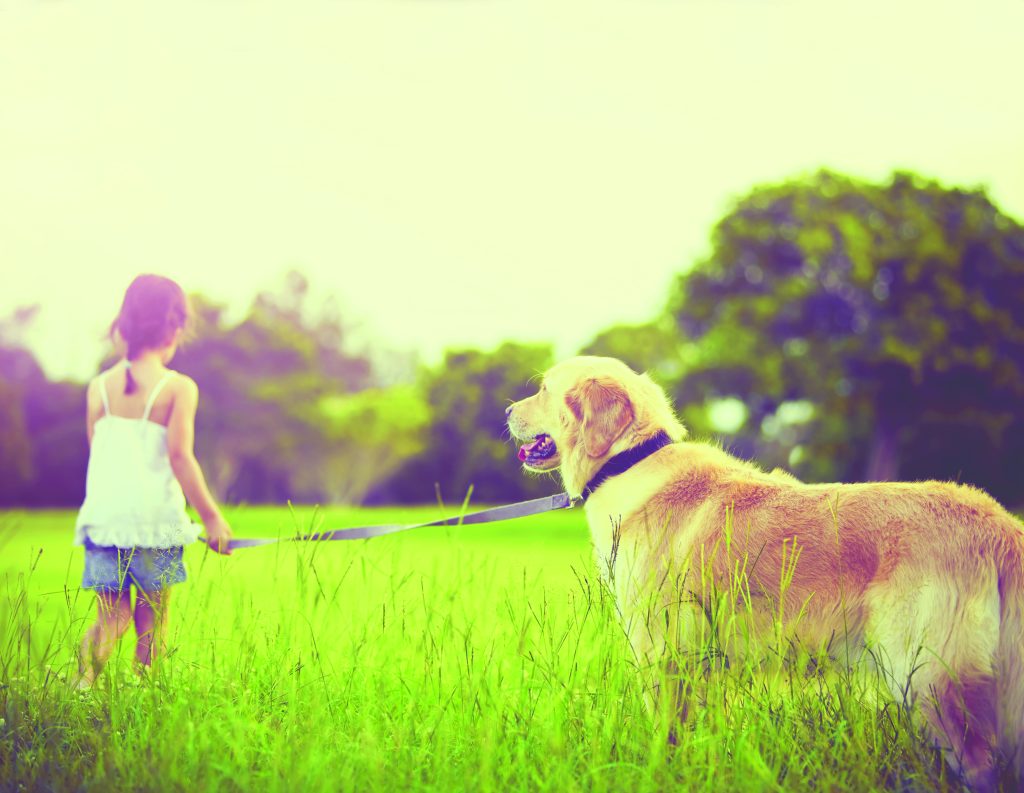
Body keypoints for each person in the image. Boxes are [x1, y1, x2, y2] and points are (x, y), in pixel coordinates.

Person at [73, 274, 232, 686]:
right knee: (153, 623)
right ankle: (146, 695)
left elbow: (98, 455)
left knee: (111, 618)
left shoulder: (98, 388)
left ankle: (80, 687)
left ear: (123, 326)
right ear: (174, 330)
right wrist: (211, 518)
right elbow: (180, 457)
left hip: (104, 524)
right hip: (157, 526)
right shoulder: (178, 388)